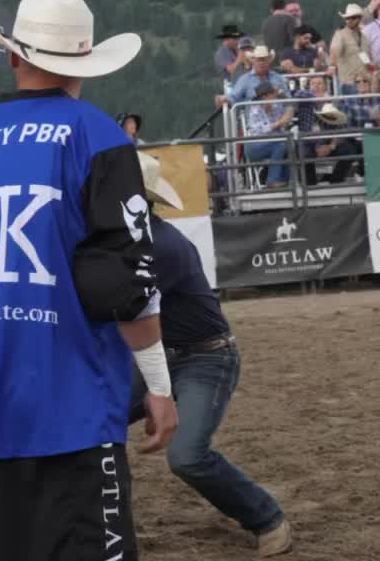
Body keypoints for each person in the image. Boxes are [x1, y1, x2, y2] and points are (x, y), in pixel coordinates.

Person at [0, 0, 177, 560]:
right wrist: (158, 385)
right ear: (84, 63)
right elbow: (123, 286)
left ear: (13, 56)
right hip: (71, 418)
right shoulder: (96, 137)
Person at [128, 152, 293, 557]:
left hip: (205, 359)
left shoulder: (160, 247)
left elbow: (124, 313)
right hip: (165, 354)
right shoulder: (139, 242)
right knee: (92, 421)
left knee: (187, 456)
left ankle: (267, 518)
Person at [244, 81, 294, 188]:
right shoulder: (255, 110)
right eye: (272, 94)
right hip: (254, 146)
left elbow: (289, 112)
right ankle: (273, 180)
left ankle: (285, 181)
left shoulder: (276, 108)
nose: (275, 96)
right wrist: (280, 122)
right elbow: (263, 130)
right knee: (280, 145)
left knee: (289, 145)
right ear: (264, 97)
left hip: (273, 143)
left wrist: (284, 97)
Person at [218, 46, 287, 107]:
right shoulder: (245, 80)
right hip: (253, 117)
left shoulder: (278, 78)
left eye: (263, 59)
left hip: (280, 116)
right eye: (258, 60)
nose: (261, 63)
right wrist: (224, 99)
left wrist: (279, 93)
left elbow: (289, 101)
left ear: (269, 61)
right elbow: (233, 97)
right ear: (253, 62)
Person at [330, 4, 373, 93]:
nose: (349, 20)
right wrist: (332, 66)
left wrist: (372, 70)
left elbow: (367, 59)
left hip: (364, 83)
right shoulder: (340, 35)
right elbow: (334, 51)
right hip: (348, 82)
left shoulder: (364, 37)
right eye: (347, 18)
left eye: (353, 18)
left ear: (360, 18)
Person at [213, 24, 248, 88]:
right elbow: (232, 70)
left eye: (237, 38)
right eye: (235, 38)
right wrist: (241, 54)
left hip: (247, 82)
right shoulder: (221, 53)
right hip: (232, 85)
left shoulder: (241, 48)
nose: (238, 40)